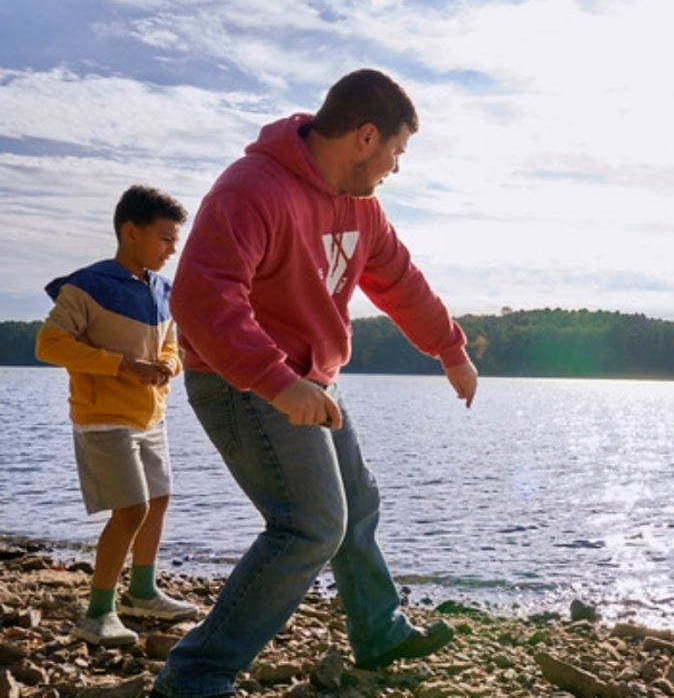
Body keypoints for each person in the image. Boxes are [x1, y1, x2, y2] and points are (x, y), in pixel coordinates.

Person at [152, 68, 478, 697]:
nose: (395, 167)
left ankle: (379, 632)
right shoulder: (253, 189)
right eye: (396, 151)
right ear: (365, 136)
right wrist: (277, 383)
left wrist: (449, 348)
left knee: (358, 506)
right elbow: (199, 297)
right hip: (240, 379)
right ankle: (195, 676)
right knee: (310, 524)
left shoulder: (362, 208)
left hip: (313, 377)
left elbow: (400, 281)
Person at [36, 184, 197, 647]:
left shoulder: (162, 289)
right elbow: (49, 344)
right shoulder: (88, 285)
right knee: (131, 510)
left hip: (151, 416)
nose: (173, 248)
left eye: (175, 240)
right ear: (131, 232)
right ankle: (97, 614)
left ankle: (141, 594)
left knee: (159, 500)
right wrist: (122, 364)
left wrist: (170, 361)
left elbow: (171, 343)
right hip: (103, 416)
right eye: (165, 238)